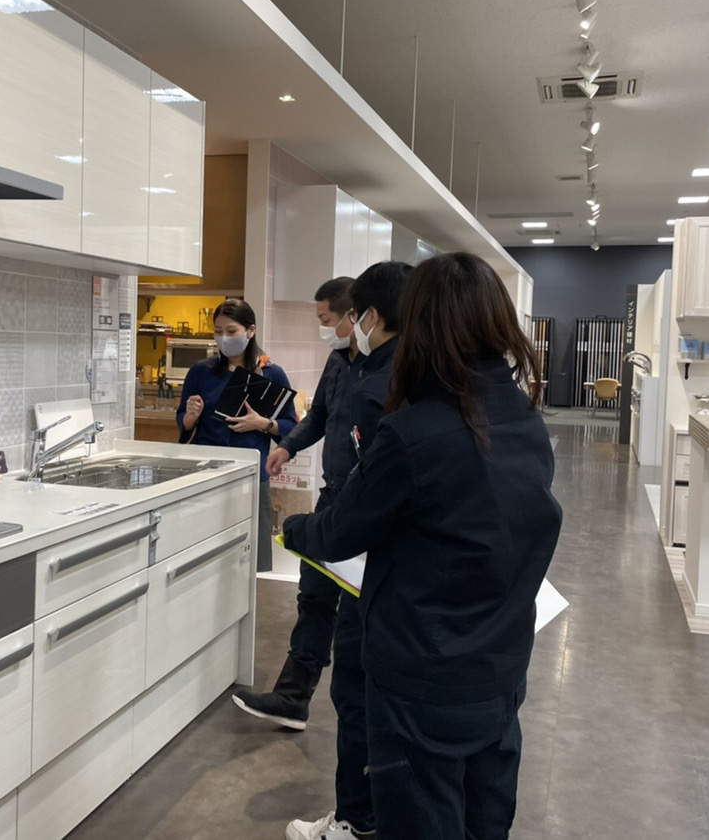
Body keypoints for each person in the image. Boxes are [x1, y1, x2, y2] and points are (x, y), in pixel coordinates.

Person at [283, 252, 562, 840]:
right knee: (486, 815)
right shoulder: (526, 421)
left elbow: (342, 531)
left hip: (423, 671)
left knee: (421, 815)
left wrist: (292, 528)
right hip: (501, 662)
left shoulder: (414, 432)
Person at [281, 261, 412, 840]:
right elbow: (319, 422)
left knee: (358, 685)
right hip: (384, 549)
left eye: (343, 316)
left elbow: (369, 500)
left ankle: (358, 820)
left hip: (368, 551)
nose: (336, 327)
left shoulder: (383, 386)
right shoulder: (417, 376)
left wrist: (303, 532)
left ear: (369, 316)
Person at [233, 277, 357, 732]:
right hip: (333, 495)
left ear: (355, 316)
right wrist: (286, 445)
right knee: (314, 595)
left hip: (368, 503)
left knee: (357, 612)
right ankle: (292, 697)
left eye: (326, 319)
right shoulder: (339, 360)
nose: (323, 328)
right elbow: (319, 415)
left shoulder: (390, 366)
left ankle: (359, 717)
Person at [177, 298, 297, 571]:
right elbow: (183, 424)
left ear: (250, 331)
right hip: (207, 475)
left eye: (231, 331)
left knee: (249, 557)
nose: (224, 338)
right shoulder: (201, 372)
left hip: (251, 475)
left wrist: (263, 423)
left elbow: (291, 427)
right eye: (218, 331)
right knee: (205, 556)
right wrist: (190, 416)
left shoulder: (272, 373)